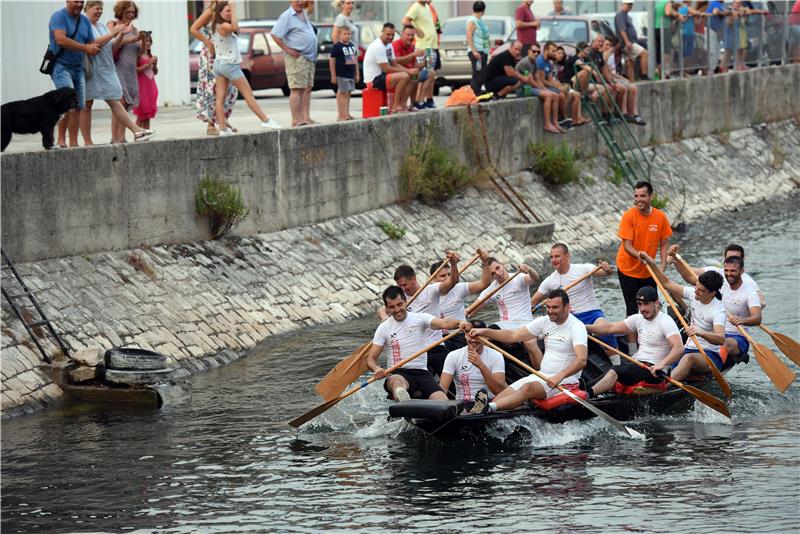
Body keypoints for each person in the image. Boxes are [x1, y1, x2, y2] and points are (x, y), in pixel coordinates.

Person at [467, 289, 588, 412]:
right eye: (548, 307)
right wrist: (484, 331)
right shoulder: (544, 321)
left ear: (567, 307)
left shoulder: (576, 327)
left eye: (555, 307)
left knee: (527, 388)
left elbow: (581, 360)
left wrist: (559, 376)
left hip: (565, 381)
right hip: (543, 376)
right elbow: (512, 336)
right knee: (507, 392)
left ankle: (489, 408)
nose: (550, 311)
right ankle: (481, 410)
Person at [366, 286, 467, 402]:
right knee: (398, 384)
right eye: (392, 307)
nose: (397, 309)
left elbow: (444, 323)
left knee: (442, 400)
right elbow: (371, 359)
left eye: (399, 304)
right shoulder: (384, 328)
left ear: (406, 301)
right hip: (399, 372)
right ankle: (403, 400)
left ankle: (431, 411)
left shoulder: (420, 318)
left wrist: (460, 323)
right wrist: (376, 369)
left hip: (422, 373)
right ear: (387, 309)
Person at [639, 253, 727, 381]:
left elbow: (720, 339)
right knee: (665, 351)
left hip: (709, 355)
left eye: (701, 290)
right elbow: (667, 283)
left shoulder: (718, 311)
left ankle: (662, 387)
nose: (696, 291)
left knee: (688, 358)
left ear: (712, 293)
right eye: (696, 287)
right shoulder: (694, 294)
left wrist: (701, 333)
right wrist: (650, 263)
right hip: (688, 348)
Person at [585, 286, 684, 397]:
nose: (642, 309)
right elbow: (609, 328)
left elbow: (679, 348)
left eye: (646, 304)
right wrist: (584, 327)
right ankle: (584, 391)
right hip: (639, 365)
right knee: (596, 380)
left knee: (616, 370)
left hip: (656, 372)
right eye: (639, 304)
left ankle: (587, 395)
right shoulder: (638, 319)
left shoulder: (665, 322)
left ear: (656, 303)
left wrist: (662, 364)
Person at [79, 0, 153, 146]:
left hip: (111, 68)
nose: (99, 11)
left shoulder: (102, 26)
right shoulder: (90, 25)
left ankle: (132, 133)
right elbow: (95, 43)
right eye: (96, 8)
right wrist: (117, 32)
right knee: (89, 103)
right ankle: (91, 141)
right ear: (86, 9)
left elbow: (113, 46)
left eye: (101, 9)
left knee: (117, 101)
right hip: (95, 68)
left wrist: (127, 37)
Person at [669, 249, 762, 361]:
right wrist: (675, 260)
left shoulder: (749, 290)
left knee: (724, 344)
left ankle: (713, 368)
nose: (729, 274)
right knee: (679, 338)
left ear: (742, 271)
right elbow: (688, 277)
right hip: (711, 330)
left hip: (736, 335)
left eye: (733, 271)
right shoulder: (717, 280)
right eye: (726, 270)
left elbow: (757, 318)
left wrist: (743, 320)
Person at [615, 180, 672, 353]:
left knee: (652, 306)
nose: (639, 199)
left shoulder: (660, 217)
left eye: (642, 196)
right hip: (627, 269)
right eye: (636, 196)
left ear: (651, 197)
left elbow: (664, 243)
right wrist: (639, 254)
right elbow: (627, 245)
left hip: (649, 269)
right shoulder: (628, 216)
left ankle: (655, 343)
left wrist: (661, 266)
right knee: (633, 309)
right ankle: (633, 350)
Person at [531, 244, 619, 354]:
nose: (553, 260)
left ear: (567, 256)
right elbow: (533, 302)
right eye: (551, 257)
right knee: (542, 336)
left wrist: (607, 268)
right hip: (569, 317)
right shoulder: (549, 281)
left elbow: (607, 273)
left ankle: (617, 365)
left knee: (606, 332)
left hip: (592, 313)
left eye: (557, 256)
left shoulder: (583, 269)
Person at [210, 1, 281, 135]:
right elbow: (235, 27)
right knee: (249, 95)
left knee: (220, 98)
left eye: (230, 11)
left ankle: (223, 129)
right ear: (220, 13)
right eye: (227, 11)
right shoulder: (224, 25)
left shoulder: (216, 25)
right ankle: (265, 120)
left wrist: (231, 11)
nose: (230, 13)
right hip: (229, 65)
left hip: (219, 64)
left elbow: (237, 30)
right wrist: (234, 9)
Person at [49, 0, 100, 149]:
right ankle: (60, 140)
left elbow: (91, 41)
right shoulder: (58, 16)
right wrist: (85, 48)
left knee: (78, 106)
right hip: (61, 66)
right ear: (67, 1)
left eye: (81, 1)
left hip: (78, 68)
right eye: (75, 1)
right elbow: (60, 40)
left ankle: (73, 143)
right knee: (65, 103)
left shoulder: (84, 20)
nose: (78, 4)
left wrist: (95, 47)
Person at [190, 0, 238, 136]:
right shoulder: (210, 12)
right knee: (213, 89)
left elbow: (235, 29)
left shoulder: (227, 11)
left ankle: (222, 119)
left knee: (231, 89)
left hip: (226, 53)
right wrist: (207, 41)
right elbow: (193, 28)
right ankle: (211, 124)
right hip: (211, 55)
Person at [430, 248, 492, 351]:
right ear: (433, 279)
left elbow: (484, 284)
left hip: (461, 334)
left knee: (479, 325)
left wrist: (485, 263)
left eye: (449, 275)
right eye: (442, 276)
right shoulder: (428, 293)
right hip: (441, 339)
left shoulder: (458, 288)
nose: (447, 278)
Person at [271, 0, 318, 127]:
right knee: (296, 88)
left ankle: (304, 118)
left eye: (302, 0)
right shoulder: (287, 16)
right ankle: (296, 120)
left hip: (308, 57)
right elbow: (275, 34)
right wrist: (288, 50)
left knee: (306, 88)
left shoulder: (303, 13)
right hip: (297, 58)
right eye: (297, 0)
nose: (300, 2)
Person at [439, 319, 506, 408]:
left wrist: (481, 365)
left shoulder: (497, 356)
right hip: (463, 404)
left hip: (490, 404)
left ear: (486, 337)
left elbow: (500, 392)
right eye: (470, 335)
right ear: (465, 335)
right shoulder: (453, 356)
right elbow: (443, 388)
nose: (473, 340)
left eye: (477, 336)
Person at [363, 23, 418, 114]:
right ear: (382, 33)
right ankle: (395, 106)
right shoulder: (378, 46)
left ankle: (403, 103)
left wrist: (410, 72)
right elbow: (386, 68)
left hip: (383, 76)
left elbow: (394, 63)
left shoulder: (388, 45)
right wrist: (407, 71)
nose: (390, 37)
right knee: (404, 76)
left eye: (392, 35)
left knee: (413, 77)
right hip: (373, 80)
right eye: (388, 34)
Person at [108, 1, 143, 144]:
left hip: (130, 71)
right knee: (120, 102)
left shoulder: (134, 29)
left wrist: (142, 41)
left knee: (125, 104)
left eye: (133, 12)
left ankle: (120, 136)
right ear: (120, 11)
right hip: (117, 68)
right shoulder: (112, 24)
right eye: (128, 11)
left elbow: (139, 53)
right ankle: (117, 137)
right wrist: (130, 38)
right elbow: (110, 44)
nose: (130, 14)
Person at [537, 41, 589, 128]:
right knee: (562, 94)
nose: (557, 54)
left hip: (556, 84)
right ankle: (563, 118)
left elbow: (552, 79)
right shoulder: (542, 61)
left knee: (576, 94)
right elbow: (542, 80)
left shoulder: (551, 63)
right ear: (546, 50)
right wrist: (559, 87)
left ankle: (575, 119)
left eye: (561, 53)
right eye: (555, 52)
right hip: (544, 86)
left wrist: (560, 87)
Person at [515, 45, 563, 133]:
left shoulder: (534, 62)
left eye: (538, 52)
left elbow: (537, 79)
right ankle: (547, 124)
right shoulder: (526, 62)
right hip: (522, 89)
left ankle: (555, 122)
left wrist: (544, 89)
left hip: (529, 87)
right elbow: (530, 81)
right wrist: (544, 91)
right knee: (548, 95)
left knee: (555, 95)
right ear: (529, 51)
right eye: (534, 51)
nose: (536, 54)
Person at [401, 0, 438, 109]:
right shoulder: (416, 6)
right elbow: (405, 20)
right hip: (423, 47)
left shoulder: (426, 6)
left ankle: (429, 100)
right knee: (427, 74)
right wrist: (417, 30)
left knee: (431, 74)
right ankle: (419, 100)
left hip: (430, 46)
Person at [603, 35, 646, 125]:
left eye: (610, 45)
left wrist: (622, 78)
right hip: (609, 78)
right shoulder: (604, 55)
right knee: (623, 88)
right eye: (606, 44)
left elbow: (613, 71)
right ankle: (623, 112)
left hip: (614, 76)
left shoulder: (611, 54)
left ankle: (634, 113)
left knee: (633, 87)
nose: (608, 47)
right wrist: (617, 79)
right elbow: (606, 71)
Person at [392, 25, 426, 110]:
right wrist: (412, 55)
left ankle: (416, 102)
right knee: (412, 76)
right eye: (408, 35)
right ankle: (402, 103)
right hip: (396, 71)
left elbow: (413, 64)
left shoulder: (411, 46)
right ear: (402, 34)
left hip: (405, 71)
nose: (410, 37)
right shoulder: (396, 45)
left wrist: (424, 63)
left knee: (429, 73)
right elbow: (396, 62)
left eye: (412, 35)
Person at [329, 27, 360, 121]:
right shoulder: (337, 46)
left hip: (351, 73)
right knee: (343, 93)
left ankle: (347, 113)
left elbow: (355, 60)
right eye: (344, 34)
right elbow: (331, 60)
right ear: (339, 36)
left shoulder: (351, 45)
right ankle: (342, 115)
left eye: (349, 34)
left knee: (349, 93)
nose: (347, 36)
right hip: (342, 74)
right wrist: (333, 75)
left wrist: (357, 73)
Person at [615, 0, 650, 81]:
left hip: (630, 42)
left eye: (631, 5)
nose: (629, 6)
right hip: (628, 43)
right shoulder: (620, 15)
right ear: (623, 4)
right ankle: (644, 75)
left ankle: (631, 81)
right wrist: (627, 41)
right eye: (628, 4)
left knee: (630, 62)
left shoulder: (626, 15)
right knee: (644, 53)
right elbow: (622, 30)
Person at [132, 31, 157, 129]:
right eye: (146, 41)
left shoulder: (150, 55)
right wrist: (147, 64)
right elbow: (135, 70)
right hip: (142, 88)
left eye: (150, 41)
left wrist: (154, 65)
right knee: (141, 115)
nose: (149, 43)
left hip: (151, 87)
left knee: (148, 116)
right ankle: (137, 135)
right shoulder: (137, 55)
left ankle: (146, 136)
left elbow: (154, 72)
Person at [466, 1, 491, 96]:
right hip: (477, 52)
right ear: (483, 10)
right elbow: (469, 36)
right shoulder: (472, 20)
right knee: (477, 74)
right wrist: (474, 51)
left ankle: (477, 92)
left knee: (483, 74)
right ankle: (474, 94)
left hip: (483, 51)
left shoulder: (479, 20)